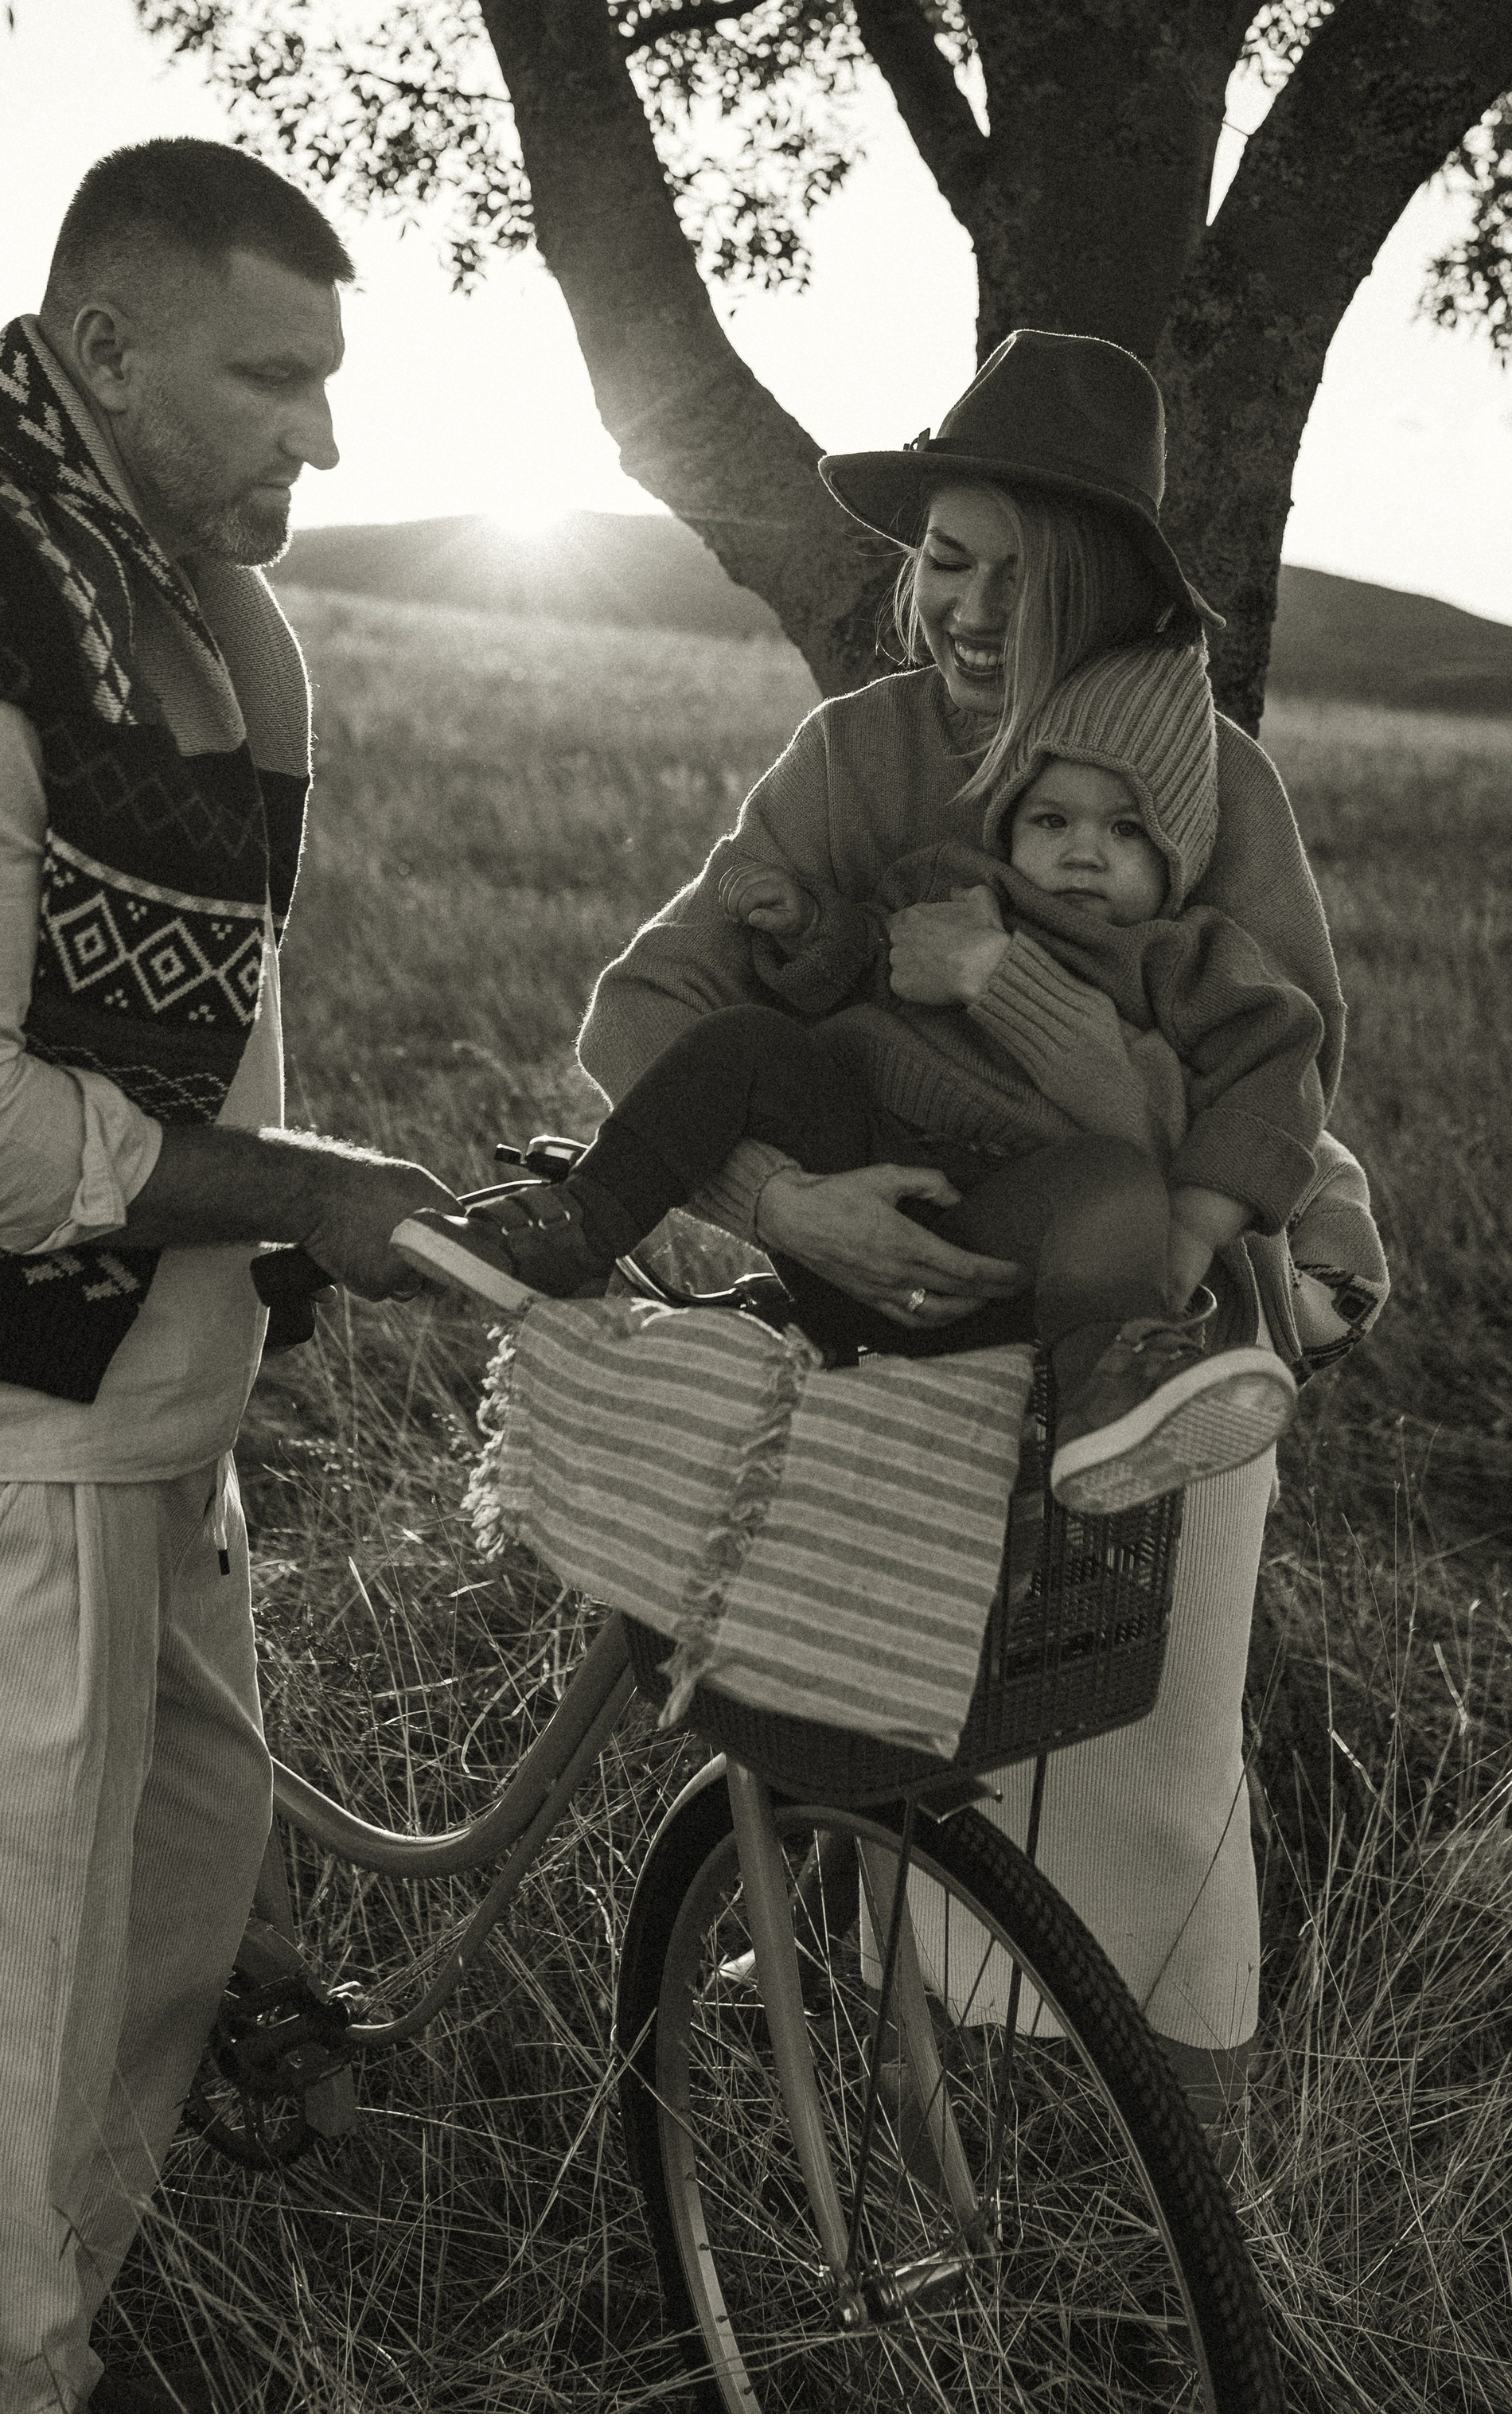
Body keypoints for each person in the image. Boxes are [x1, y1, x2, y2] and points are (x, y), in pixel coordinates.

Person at [569, 326, 1388, 2161]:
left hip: (1143, 1365)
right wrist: (780, 1204)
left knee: (1156, 1795)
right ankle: (901, 2180)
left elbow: (1276, 1071)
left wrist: (1063, 1045)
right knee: (881, 1753)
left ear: (1102, 594)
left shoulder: (1203, 783)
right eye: (945, 557)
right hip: (895, 1357)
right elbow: (647, 1017)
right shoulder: (853, 755)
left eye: (1022, 576)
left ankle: (1197, 2217)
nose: (964, 607)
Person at [0, 140, 460, 2414]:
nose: (322, 434)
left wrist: (284, 1212)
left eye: (327, 379)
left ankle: (18, 2352)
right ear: (102, 346)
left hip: (158, 1425)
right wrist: (293, 1185)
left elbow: (176, 1024)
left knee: (158, 1956)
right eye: (270, 375)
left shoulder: (176, 599)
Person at [407, 630, 1326, 1514]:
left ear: (1176, 854)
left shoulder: (1185, 956)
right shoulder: (955, 884)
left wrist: (1193, 1228)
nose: (1082, 850)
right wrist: (808, 931)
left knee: (1112, 1185)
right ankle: (578, 1227)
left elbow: (1274, 1068)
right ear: (1009, 824)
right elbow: (862, 965)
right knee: (742, 1044)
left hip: (1004, 1240)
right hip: (857, 1182)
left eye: (1125, 829)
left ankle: (1107, 1398)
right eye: (1051, 820)